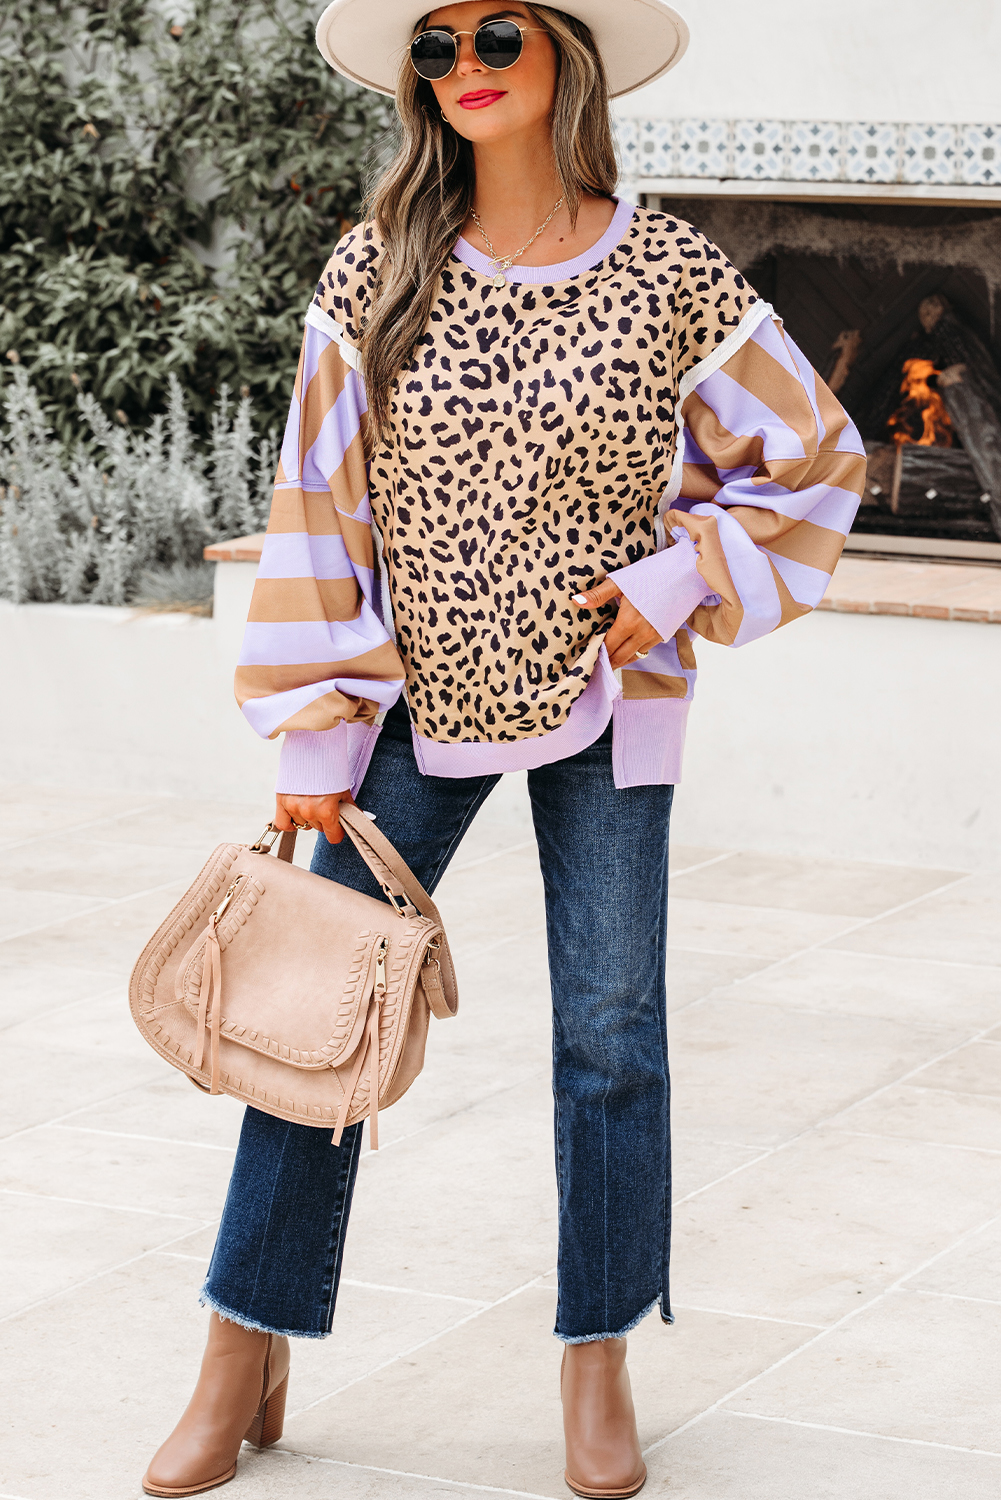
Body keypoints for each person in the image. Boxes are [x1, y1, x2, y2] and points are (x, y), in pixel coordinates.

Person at [141, 2, 865, 1494]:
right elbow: (318, 496)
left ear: (563, 57)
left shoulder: (669, 270)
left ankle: (597, 1352)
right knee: (317, 1013)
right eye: (436, 45)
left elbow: (814, 457)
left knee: (611, 1032)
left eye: (496, 37)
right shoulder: (377, 264)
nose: (463, 67)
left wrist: (677, 578)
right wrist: (315, 727)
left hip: (612, 695)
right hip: (409, 695)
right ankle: (240, 1337)